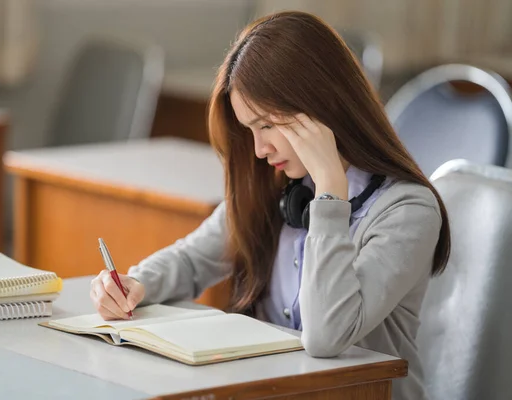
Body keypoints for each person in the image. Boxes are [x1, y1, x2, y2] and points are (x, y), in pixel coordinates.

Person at [90, 10, 450, 400]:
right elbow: (193, 259)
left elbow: (327, 336)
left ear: (320, 106)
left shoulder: (407, 210)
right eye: (250, 130)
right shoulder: (285, 188)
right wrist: (135, 283)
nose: (260, 150)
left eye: (266, 126)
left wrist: (331, 188)